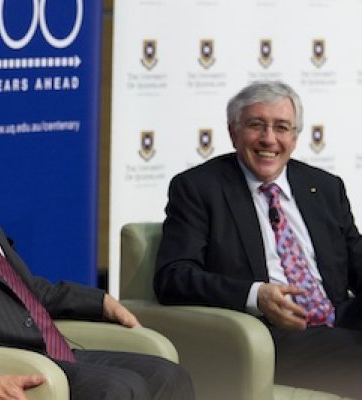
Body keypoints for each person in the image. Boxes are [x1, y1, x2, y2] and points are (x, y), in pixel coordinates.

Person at [154, 80, 362, 399]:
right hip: (269, 335)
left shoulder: (324, 187)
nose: (269, 139)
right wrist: (256, 295)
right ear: (233, 132)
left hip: (339, 320)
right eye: (256, 125)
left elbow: (356, 261)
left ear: (294, 137)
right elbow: (173, 276)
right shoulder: (199, 189)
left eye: (281, 127)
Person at [0, 181, 194, 400]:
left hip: (44, 346)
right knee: (119, 388)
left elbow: (21, 286)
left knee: (169, 376)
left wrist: (99, 302)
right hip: (2, 359)